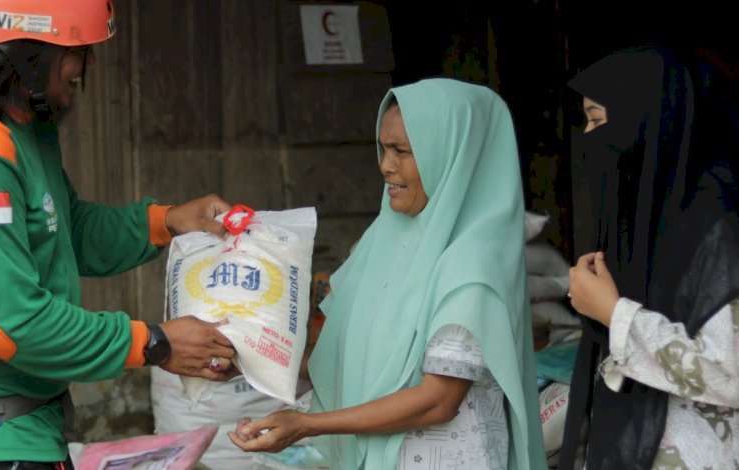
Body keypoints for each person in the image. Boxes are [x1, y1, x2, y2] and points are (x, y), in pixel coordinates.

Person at [0, 1, 238, 468]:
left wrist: (164, 222)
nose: (87, 65)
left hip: (16, 423)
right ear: (28, 48)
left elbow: (64, 229)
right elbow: (14, 325)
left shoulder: (19, 118)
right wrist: (154, 343)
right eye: (77, 50)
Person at [228, 78, 546, 469]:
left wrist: (308, 425)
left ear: (452, 157)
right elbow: (344, 356)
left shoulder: (474, 263)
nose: (384, 165)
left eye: (402, 151)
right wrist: (247, 358)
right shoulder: (384, 242)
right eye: (382, 148)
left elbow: (438, 399)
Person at [561, 45, 739, 469]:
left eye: (597, 120)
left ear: (647, 123)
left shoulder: (721, 237)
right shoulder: (648, 231)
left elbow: (730, 373)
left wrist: (615, 314)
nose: (588, 137)